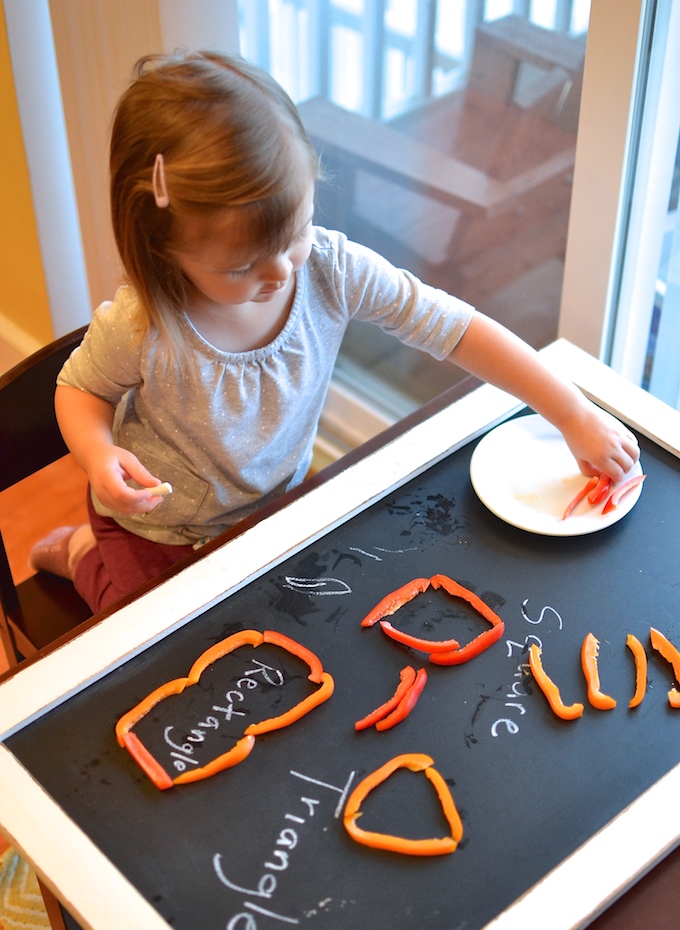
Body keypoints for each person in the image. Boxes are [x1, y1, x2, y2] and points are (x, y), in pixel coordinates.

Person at [30, 50, 640, 613]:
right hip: (157, 526)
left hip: (274, 502)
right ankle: (85, 556)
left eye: (296, 231)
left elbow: (454, 327)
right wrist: (97, 453)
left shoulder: (329, 267)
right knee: (140, 640)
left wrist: (570, 413)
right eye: (241, 266)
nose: (279, 272)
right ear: (163, 249)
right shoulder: (145, 322)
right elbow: (80, 390)